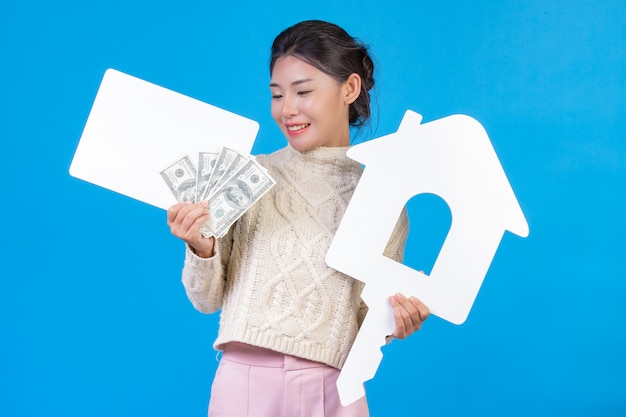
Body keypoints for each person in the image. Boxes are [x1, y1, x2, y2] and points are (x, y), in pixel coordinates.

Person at [167, 20, 430, 417]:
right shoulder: (249, 175)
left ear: (350, 89)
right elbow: (206, 299)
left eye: (303, 91)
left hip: (334, 388)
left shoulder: (382, 197)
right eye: (276, 95)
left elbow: (364, 321)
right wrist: (200, 246)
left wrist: (394, 323)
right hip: (245, 385)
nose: (287, 109)